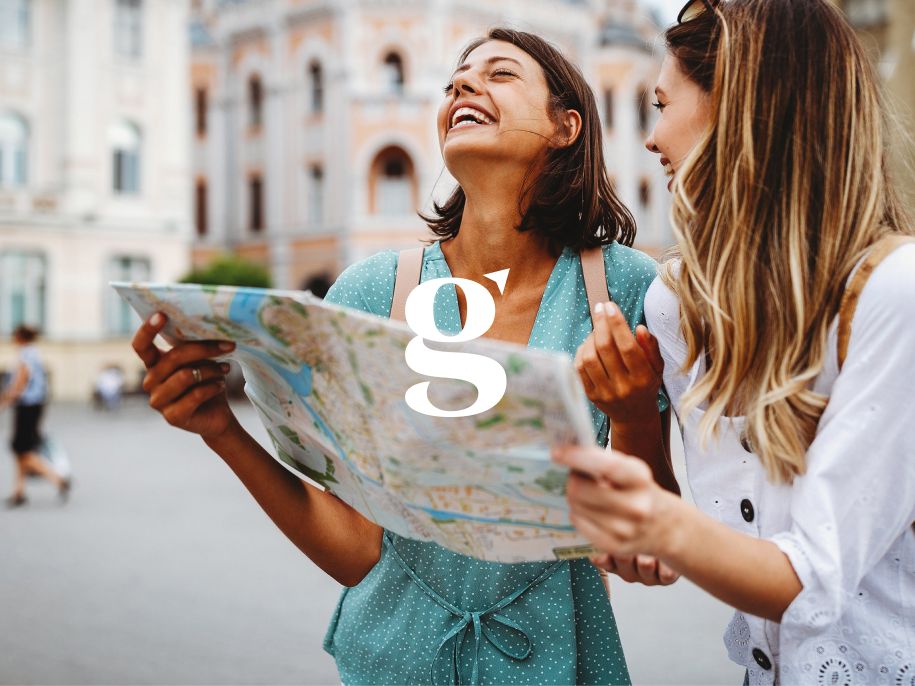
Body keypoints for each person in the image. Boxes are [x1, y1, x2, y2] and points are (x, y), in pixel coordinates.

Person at [131, 28, 677, 685]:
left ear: (566, 126)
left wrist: (634, 416)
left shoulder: (622, 288)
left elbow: (650, 540)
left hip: (559, 663)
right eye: (455, 81)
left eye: (500, 74)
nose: (462, 85)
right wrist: (222, 430)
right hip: (389, 663)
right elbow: (356, 552)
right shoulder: (370, 293)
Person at [554, 0, 915, 683]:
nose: (651, 138)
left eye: (662, 105)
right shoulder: (674, 305)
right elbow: (665, 551)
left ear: (741, 108)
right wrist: (632, 419)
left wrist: (652, 520)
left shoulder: (893, 292)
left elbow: (809, 581)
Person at [2, 325, 71, 507]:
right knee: (20, 450)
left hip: (27, 407)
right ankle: (19, 491)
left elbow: (19, 383)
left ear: (19, 337)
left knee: (23, 450)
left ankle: (58, 479)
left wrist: (4, 402)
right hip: (34, 406)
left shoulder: (26, 355)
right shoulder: (34, 353)